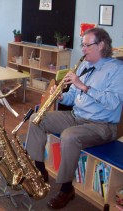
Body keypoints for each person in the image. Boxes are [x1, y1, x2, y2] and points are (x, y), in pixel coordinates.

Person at [26, 27, 123, 209]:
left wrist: (84, 86)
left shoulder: (117, 70)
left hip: (102, 125)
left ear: (101, 45)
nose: (83, 49)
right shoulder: (85, 65)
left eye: (87, 45)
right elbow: (72, 97)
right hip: (76, 116)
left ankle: (66, 189)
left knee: (69, 136)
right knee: (36, 119)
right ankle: (40, 171)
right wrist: (61, 96)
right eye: (82, 45)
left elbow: (113, 102)